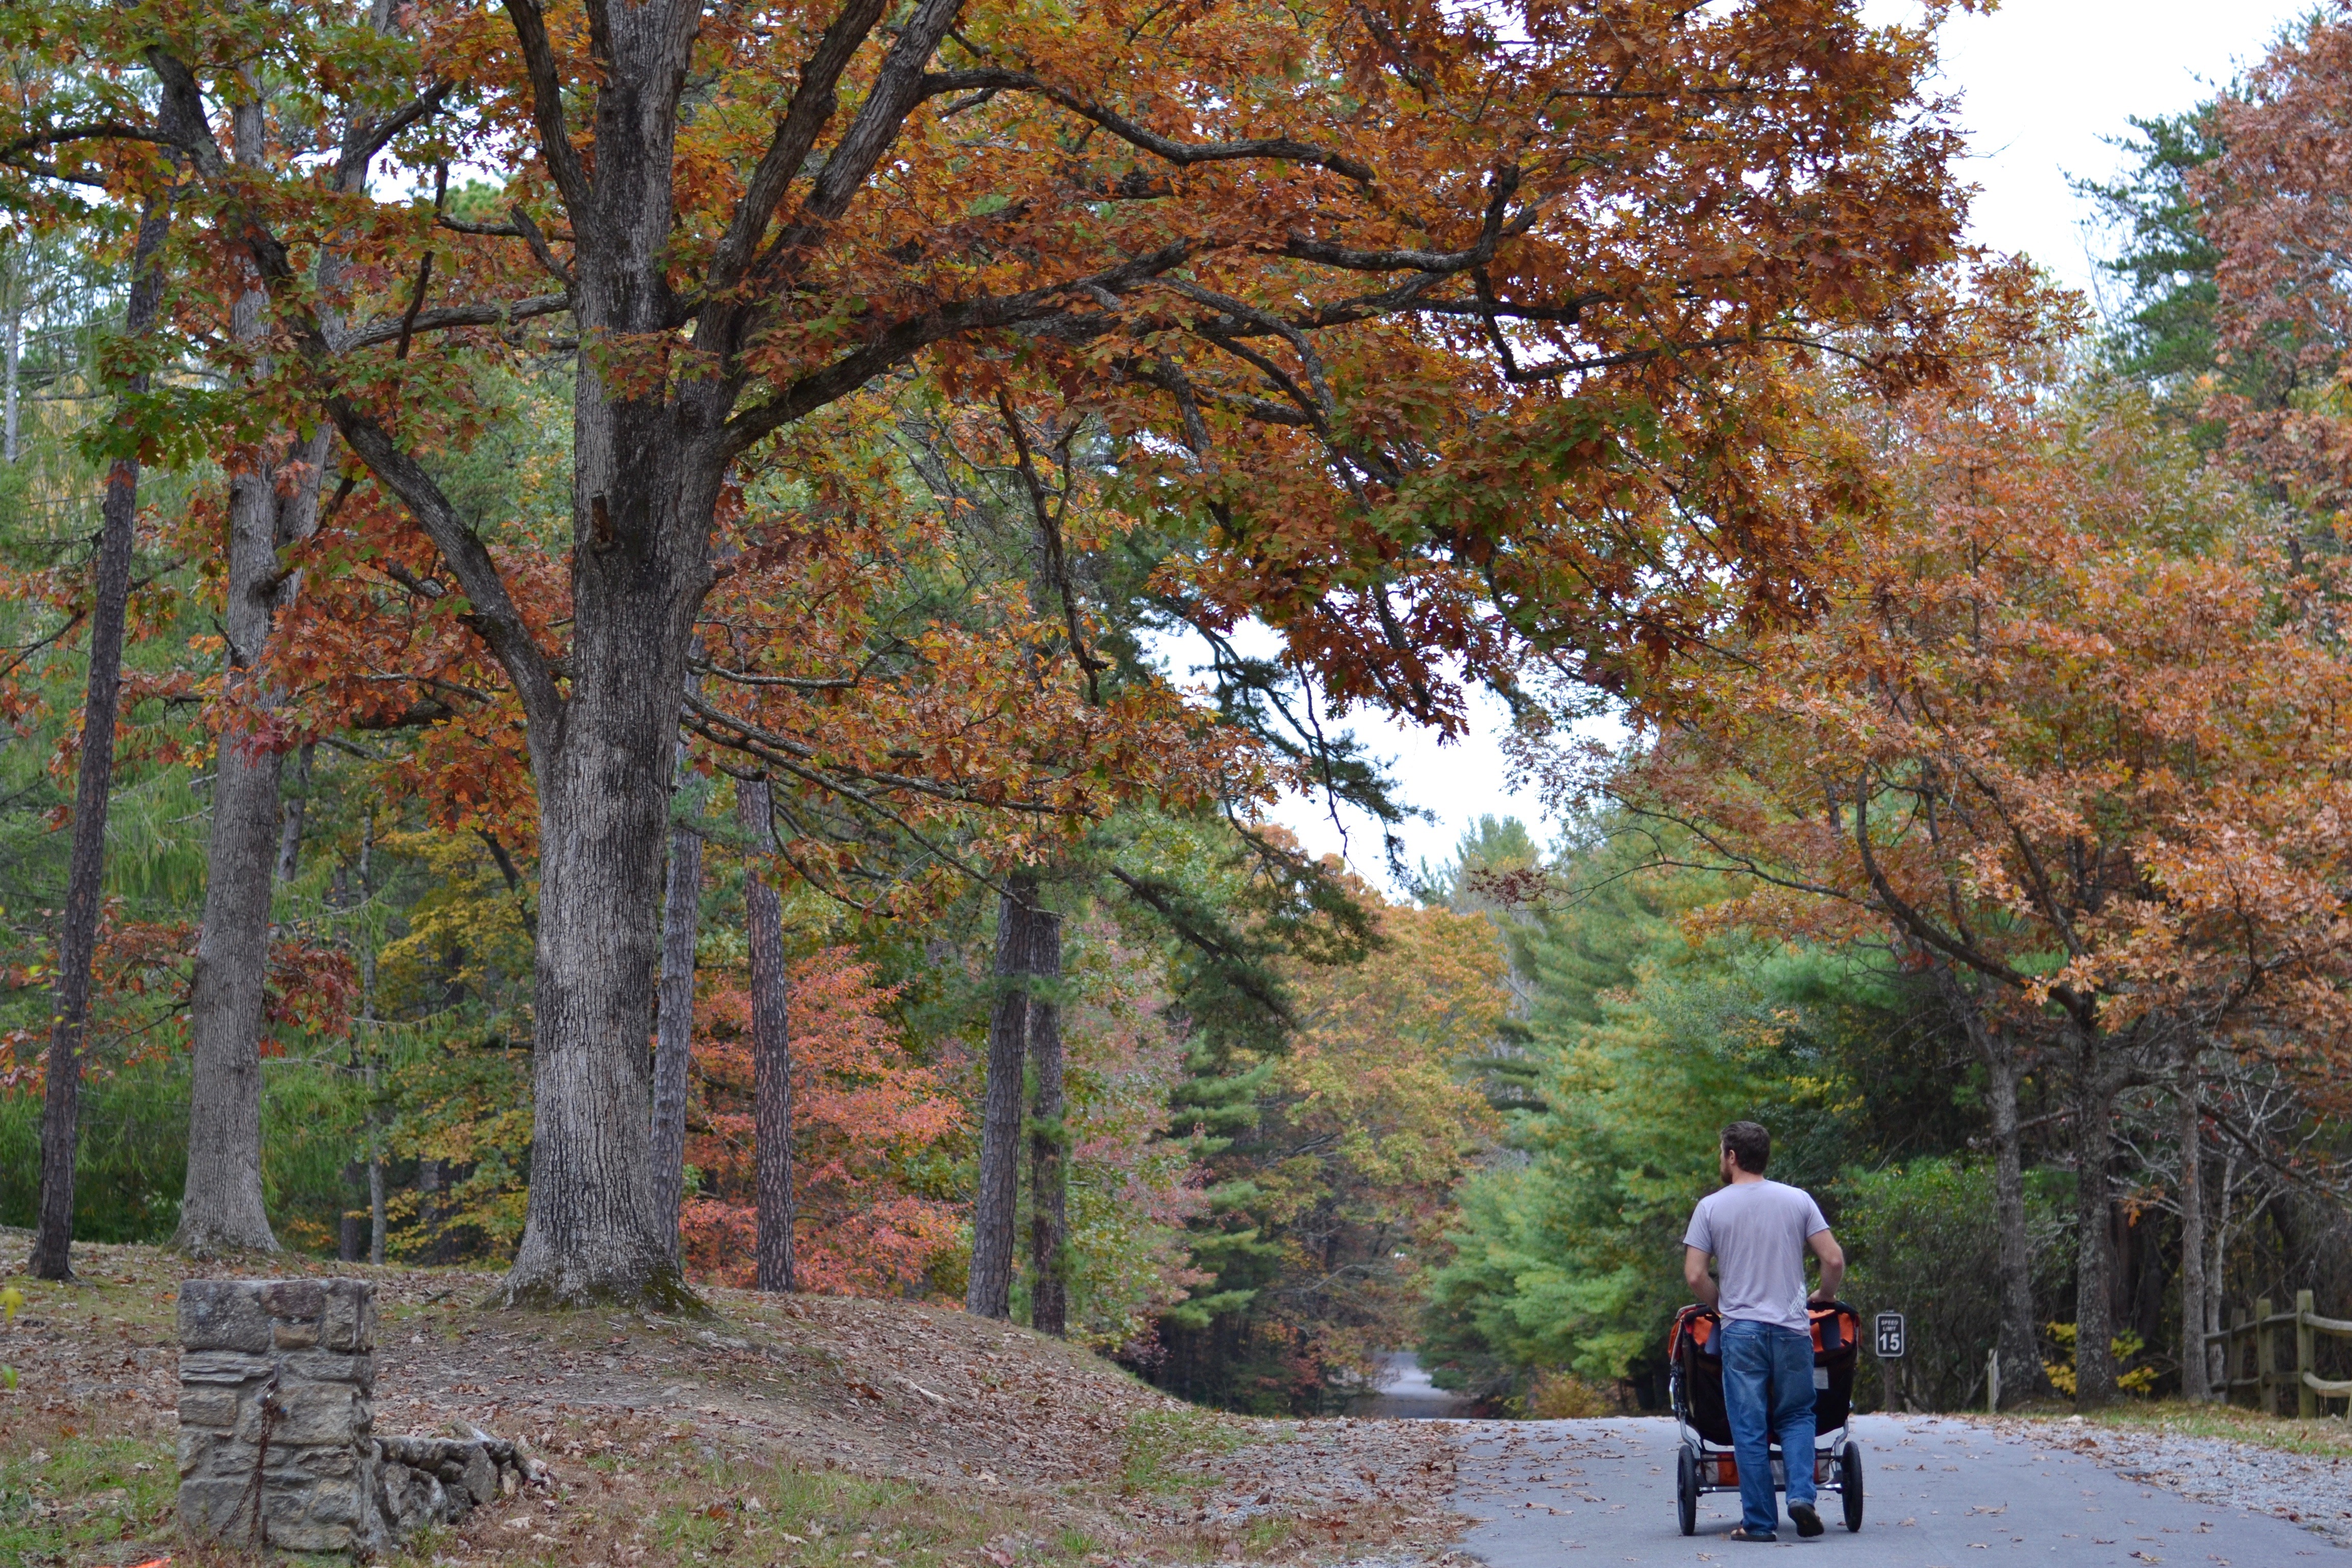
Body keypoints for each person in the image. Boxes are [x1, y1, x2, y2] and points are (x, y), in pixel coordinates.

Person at [1681, 1120, 1844, 1543]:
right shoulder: (1798, 1200)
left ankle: (1759, 1524)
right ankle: (1801, 1498)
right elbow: (1833, 1260)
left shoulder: (1711, 1208)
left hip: (1742, 1333)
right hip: (1792, 1329)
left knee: (1749, 1425)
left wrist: (1722, 1306)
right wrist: (1824, 1296)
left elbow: (1695, 1275)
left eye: (1722, 1152)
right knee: (1797, 1415)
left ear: (1733, 1156)